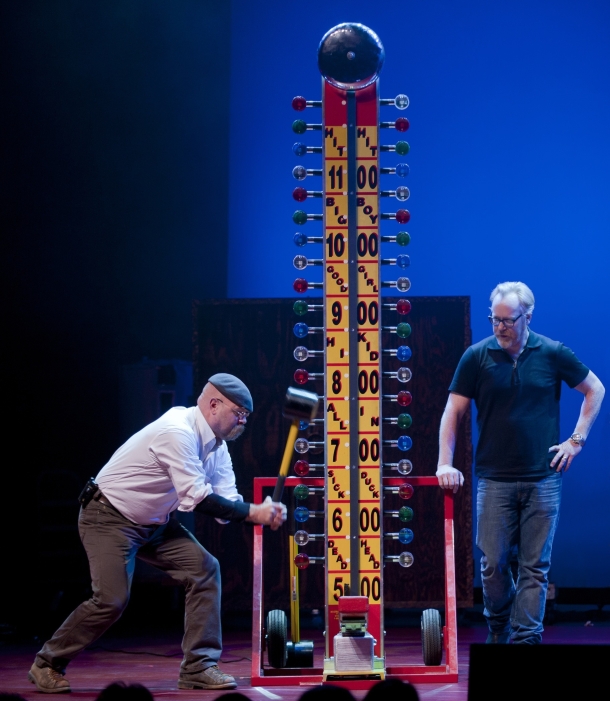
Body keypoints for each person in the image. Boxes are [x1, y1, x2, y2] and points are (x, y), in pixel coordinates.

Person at [29, 373, 287, 693]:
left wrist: (261, 513)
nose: (242, 422)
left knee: (205, 570)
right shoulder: (177, 432)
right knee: (111, 600)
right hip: (108, 516)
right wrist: (253, 513)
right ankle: (47, 662)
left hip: (154, 524)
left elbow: (227, 506)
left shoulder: (217, 447)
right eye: (239, 413)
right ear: (213, 404)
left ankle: (198, 667)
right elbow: (198, 499)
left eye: (246, 416)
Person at [436, 282, 604, 645]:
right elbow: (454, 410)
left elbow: (595, 389)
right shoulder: (476, 357)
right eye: (494, 320)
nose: (499, 327)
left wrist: (576, 441)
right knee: (494, 564)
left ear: (528, 316)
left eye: (508, 320)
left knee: (535, 568)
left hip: (543, 479)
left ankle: (526, 639)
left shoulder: (552, 352)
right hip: (494, 479)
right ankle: (499, 626)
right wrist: (444, 463)